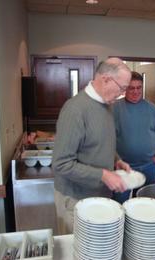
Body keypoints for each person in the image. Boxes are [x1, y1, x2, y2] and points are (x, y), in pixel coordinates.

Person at [52, 57, 132, 234]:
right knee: (79, 255)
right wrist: (103, 175)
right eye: (122, 88)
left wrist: (116, 160)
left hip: (100, 196)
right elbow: (61, 164)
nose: (123, 94)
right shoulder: (75, 110)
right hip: (75, 200)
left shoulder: (106, 105)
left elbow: (101, 141)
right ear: (105, 79)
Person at [112, 71, 155, 204]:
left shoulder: (152, 109)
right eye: (131, 88)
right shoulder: (114, 109)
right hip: (124, 168)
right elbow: (106, 139)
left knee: (144, 205)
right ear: (125, 88)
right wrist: (114, 159)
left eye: (139, 87)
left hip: (149, 166)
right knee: (119, 205)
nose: (135, 91)